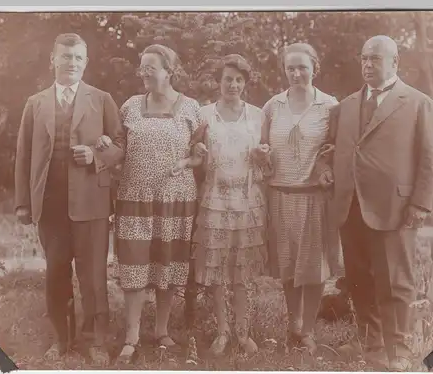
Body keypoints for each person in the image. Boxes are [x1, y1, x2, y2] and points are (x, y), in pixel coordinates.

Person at [328, 35, 433, 371]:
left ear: (395, 62)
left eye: (375, 59)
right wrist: (326, 170)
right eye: (364, 58)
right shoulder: (347, 104)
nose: (367, 65)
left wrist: (420, 204)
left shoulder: (417, 102)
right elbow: (331, 148)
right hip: (350, 207)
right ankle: (372, 344)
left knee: (396, 280)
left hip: (395, 209)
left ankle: (400, 350)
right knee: (358, 279)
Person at [14, 33, 125, 365]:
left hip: (91, 204)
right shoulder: (35, 103)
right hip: (50, 206)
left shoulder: (102, 99)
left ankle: (95, 342)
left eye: (78, 58)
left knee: (92, 276)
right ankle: (61, 339)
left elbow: (120, 147)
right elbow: (23, 155)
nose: (71, 63)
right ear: (53, 60)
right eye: (65, 57)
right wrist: (23, 202)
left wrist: (95, 155)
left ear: (86, 62)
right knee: (56, 273)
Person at [98, 44, 202, 364]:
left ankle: (162, 331)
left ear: (169, 71)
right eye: (141, 67)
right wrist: (104, 147)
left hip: (176, 199)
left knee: (167, 266)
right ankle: (131, 337)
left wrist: (186, 164)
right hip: (134, 198)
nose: (143, 73)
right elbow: (118, 148)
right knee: (134, 266)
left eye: (150, 67)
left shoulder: (191, 107)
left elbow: (200, 155)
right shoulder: (129, 106)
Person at [255, 42, 340, 355]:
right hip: (280, 195)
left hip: (314, 197)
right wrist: (260, 153)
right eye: (290, 67)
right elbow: (261, 145)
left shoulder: (330, 105)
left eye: (302, 67)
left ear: (314, 68)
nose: (296, 73)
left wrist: (326, 164)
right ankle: (294, 325)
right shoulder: (273, 105)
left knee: (314, 267)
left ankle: (308, 331)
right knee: (289, 267)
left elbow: (337, 147)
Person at [191, 54, 267, 356]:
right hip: (215, 201)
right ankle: (222, 332)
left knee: (242, 272)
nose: (233, 85)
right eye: (227, 79)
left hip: (248, 200)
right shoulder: (203, 113)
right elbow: (194, 154)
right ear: (218, 82)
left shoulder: (258, 115)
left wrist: (263, 154)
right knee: (218, 270)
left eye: (238, 80)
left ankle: (243, 331)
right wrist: (196, 149)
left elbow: (266, 160)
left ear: (245, 83)